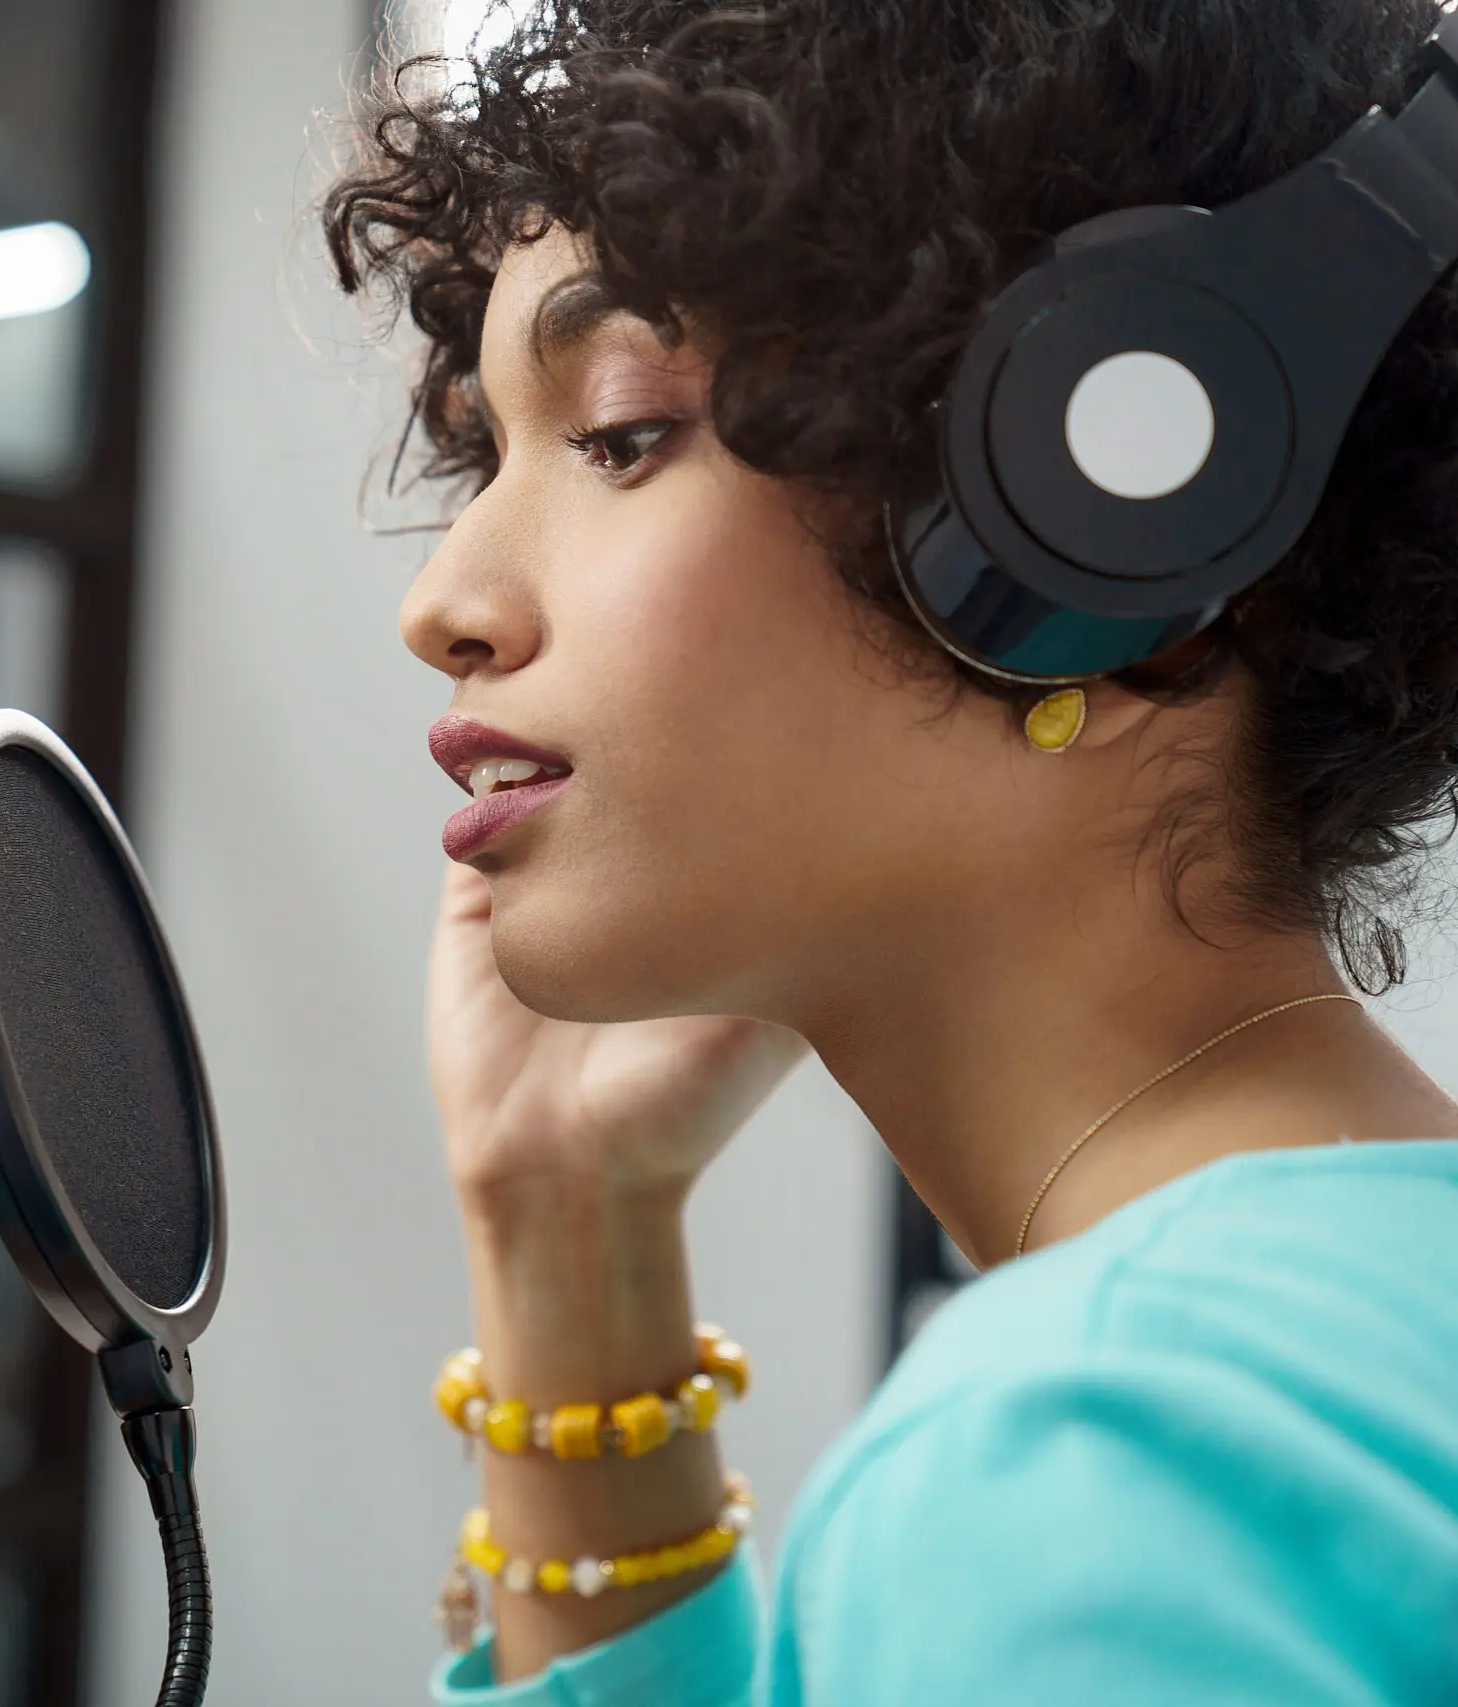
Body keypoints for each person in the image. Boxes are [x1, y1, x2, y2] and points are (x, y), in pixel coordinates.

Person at [324, 1, 1458, 1701]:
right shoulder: (1322, 1361)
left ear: (1120, 511)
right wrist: (565, 1222)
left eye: (623, 432)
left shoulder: (1092, 1468)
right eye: (491, 454)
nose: (444, 604)